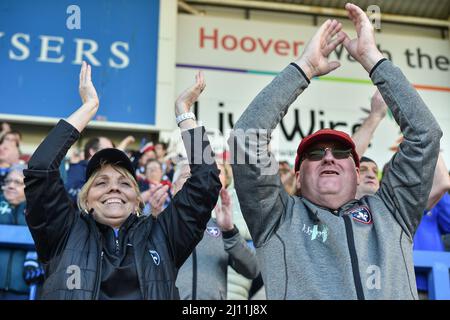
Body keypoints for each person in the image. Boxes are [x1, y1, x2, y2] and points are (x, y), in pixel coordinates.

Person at [228, 3, 442, 299]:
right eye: (314, 154)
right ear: (298, 178)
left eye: (341, 152)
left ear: (357, 173)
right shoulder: (277, 218)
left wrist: (371, 58)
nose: (328, 157)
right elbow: (244, 140)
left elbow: (425, 135)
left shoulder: (393, 211)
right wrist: (304, 68)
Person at [23, 62, 221, 299]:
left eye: (125, 183)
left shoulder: (163, 235)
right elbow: (41, 168)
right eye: (101, 182)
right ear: (85, 199)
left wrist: (184, 112)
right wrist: (89, 106)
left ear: (138, 200)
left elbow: (206, 181)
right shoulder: (64, 232)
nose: (114, 187)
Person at [149, 162, 259, 300]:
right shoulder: (159, 225)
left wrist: (230, 232)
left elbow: (252, 270)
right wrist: (154, 224)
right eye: (188, 177)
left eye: (199, 178)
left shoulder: (222, 227)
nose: (195, 182)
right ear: (173, 187)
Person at [0, 165, 43, 300]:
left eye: (17, 182)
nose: (11, 186)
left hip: (23, 288)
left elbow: (49, 245)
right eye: (8, 181)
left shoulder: (38, 210)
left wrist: (37, 263)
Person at [65, 136, 114, 204]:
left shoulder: (107, 172)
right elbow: (71, 196)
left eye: (113, 151)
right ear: (92, 151)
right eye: (108, 150)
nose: (112, 155)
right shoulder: (77, 170)